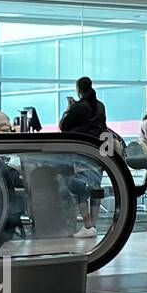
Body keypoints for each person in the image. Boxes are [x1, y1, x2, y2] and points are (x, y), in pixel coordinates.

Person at [60, 76, 109, 239]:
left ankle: (87, 225)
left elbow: (64, 127)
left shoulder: (79, 106)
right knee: (95, 186)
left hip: (82, 151)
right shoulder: (100, 105)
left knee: (79, 187)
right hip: (99, 150)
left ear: (79, 89)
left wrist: (69, 108)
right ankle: (93, 225)